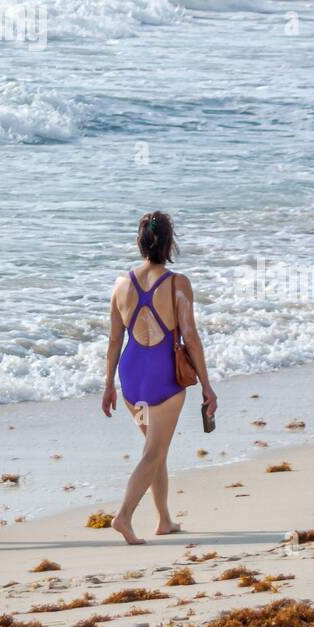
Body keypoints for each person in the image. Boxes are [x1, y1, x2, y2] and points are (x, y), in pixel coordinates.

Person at [102, 211, 217, 545]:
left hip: (132, 378)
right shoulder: (178, 283)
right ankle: (123, 516)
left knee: (156, 449)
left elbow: (113, 341)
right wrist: (207, 386)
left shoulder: (121, 284)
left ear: (140, 242)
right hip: (163, 378)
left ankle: (164, 520)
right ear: (170, 243)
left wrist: (109, 384)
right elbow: (191, 338)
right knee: (154, 452)